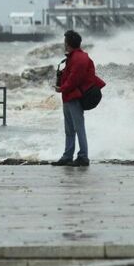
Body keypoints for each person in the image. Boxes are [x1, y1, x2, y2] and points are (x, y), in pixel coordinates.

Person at [50, 29, 105, 167]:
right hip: (69, 97)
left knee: (78, 128)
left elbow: (74, 80)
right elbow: (72, 76)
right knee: (69, 129)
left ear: (68, 43)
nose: (64, 44)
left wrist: (61, 88)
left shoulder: (79, 58)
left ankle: (83, 157)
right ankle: (67, 156)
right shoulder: (74, 57)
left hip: (74, 97)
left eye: (65, 41)